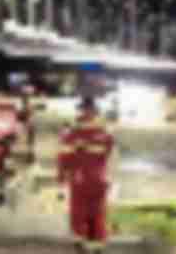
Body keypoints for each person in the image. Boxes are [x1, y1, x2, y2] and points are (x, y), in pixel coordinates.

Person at [57, 96, 115, 252]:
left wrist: (61, 178)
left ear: (81, 111)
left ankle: (80, 243)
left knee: (79, 211)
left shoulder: (71, 133)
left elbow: (64, 158)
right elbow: (110, 155)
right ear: (96, 112)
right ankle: (97, 245)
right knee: (97, 211)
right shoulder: (106, 132)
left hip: (80, 178)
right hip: (100, 178)